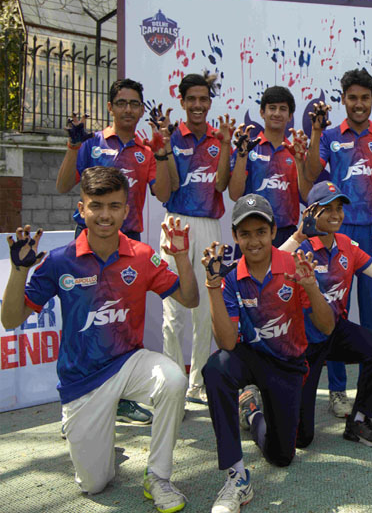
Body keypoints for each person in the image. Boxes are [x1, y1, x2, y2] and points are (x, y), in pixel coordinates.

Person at [1, 166, 199, 512]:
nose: (105, 215)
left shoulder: (140, 255)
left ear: (126, 210)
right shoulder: (60, 261)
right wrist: (19, 271)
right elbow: (10, 318)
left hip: (128, 362)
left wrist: (181, 258)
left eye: (114, 206)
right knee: (95, 485)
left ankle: (159, 476)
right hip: (83, 380)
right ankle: (96, 440)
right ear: (82, 208)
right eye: (96, 205)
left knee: (172, 380)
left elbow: (189, 299)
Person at [200, 194, 334, 513]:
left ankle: (252, 413)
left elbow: (327, 328)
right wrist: (212, 286)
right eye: (244, 234)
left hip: (288, 366)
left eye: (260, 231)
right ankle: (236, 476)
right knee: (216, 368)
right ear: (235, 236)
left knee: (282, 457)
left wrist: (312, 287)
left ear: (274, 232)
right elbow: (228, 344)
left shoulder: (294, 266)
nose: (253, 240)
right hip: (251, 357)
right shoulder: (229, 276)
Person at [55, 78, 173, 425]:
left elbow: (164, 193)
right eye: (121, 103)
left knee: (122, 324)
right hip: (88, 245)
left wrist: (163, 149)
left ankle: (119, 400)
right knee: (82, 323)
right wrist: (73, 147)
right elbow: (63, 185)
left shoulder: (144, 151)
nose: (127, 109)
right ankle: (74, 406)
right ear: (111, 107)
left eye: (134, 104)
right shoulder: (90, 143)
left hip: (128, 246)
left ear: (140, 109)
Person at [304, 68, 372, 417]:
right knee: (333, 312)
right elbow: (309, 176)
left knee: (371, 312)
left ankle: (368, 388)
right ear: (343, 99)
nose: (359, 104)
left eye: (365, 98)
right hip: (337, 234)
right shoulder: (331, 136)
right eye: (352, 98)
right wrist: (316, 133)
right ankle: (336, 391)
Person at [279, 181, 372, 447]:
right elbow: (270, 263)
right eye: (327, 209)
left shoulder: (346, 244)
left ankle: (359, 421)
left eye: (339, 208)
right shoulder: (300, 246)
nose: (335, 214)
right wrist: (298, 236)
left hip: (334, 331)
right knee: (301, 439)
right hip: (303, 341)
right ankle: (259, 409)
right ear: (310, 213)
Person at [160, 72, 235, 405]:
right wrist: (164, 149)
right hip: (176, 223)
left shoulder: (220, 139)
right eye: (191, 99)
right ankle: (175, 385)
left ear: (210, 102)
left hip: (208, 225)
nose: (198, 105)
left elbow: (220, 186)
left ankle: (197, 384)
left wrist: (227, 145)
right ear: (182, 101)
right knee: (172, 312)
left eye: (203, 99)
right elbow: (172, 185)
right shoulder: (172, 136)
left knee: (205, 309)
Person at [228, 85, 311, 248]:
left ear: (290, 116)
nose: (277, 114)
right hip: (251, 232)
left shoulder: (295, 151)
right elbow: (234, 194)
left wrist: (300, 161)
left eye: (282, 109)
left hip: (287, 234)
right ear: (262, 112)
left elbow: (307, 196)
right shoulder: (248, 147)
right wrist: (242, 156)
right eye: (272, 108)